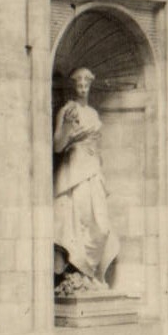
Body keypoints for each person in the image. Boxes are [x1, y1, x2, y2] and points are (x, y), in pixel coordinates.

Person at [52, 66, 119, 291]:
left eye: (86, 83)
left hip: (94, 172)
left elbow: (97, 147)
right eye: (78, 83)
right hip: (75, 172)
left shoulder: (93, 113)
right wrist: (69, 129)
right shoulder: (67, 110)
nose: (82, 87)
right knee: (78, 223)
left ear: (90, 86)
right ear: (73, 86)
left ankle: (90, 272)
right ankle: (80, 275)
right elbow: (57, 145)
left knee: (101, 227)